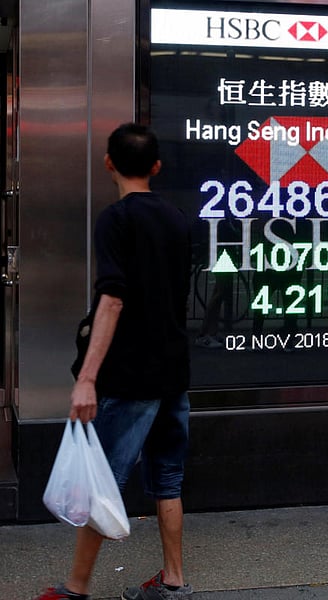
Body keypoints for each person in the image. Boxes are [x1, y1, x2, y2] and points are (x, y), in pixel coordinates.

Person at [35, 124, 193, 600]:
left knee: (103, 482)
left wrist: (87, 378)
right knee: (168, 479)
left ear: (109, 163)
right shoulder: (178, 218)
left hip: (131, 374)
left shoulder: (116, 219)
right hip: (173, 372)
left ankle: (75, 588)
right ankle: (173, 582)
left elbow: (113, 300)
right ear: (157, 167)